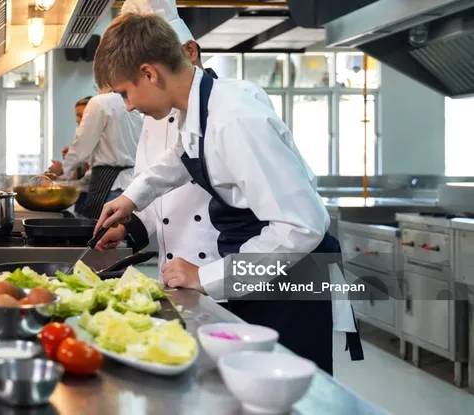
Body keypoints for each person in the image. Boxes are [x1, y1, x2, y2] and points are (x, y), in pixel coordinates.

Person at [91, 12, 364, 375]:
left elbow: (302, 227)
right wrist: (132, 199)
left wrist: (206, 277)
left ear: (149, 73)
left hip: (290, 281)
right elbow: (181, 158)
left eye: (125, 92)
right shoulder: (202, 108)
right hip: (262, 273)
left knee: (284, 394)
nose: (127, 106)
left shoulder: (236, 118)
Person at [52, 90, 143, 219]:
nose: (79, 120)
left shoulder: (100, 104)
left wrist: (61, 171)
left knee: (103, 232)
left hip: (110, 187)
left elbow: (81, 154)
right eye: (77, 116)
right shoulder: (134, 113)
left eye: (83, 115)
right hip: (126, 185)